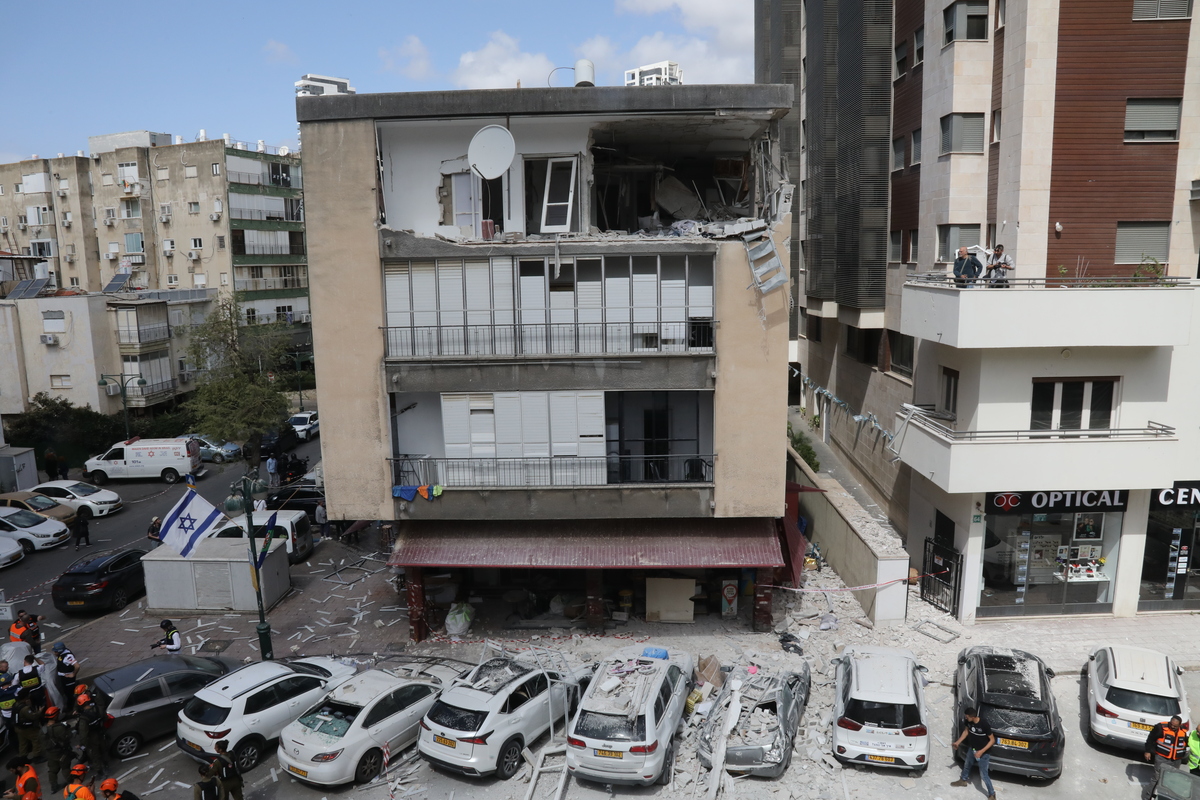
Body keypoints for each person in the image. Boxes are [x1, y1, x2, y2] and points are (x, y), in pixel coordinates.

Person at [951, 707, 995, 800]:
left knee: (984, 775)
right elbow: (966, 731)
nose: (965, 718)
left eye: (967, 717)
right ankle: (963, 780)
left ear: (972, 717)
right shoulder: (969, 722)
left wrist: (981, 752)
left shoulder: (984, 724)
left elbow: (992, 740)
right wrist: (957, 742)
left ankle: (992, 794)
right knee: (967, 764)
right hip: (973, 749)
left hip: (984, 753)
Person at [43, 706, 74, 793]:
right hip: (61, 752)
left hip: (50, 753)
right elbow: (68, 736)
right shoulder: (59, 727)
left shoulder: (43, 729)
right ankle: (71, 783)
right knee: (65, 767)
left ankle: (54, 786)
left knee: (52, 770)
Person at [75, 693, 107, 775]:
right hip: (101, 734)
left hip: (92, 739)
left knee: (95, 755)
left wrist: (82, 745)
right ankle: (106, 765)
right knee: (103, 751)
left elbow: (83, 734)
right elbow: (105, 718)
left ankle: (100, 773)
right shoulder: (98, 709)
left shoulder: (84, 718)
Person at [13, 690, 43, 762]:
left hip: (18, 727)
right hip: (26, 728)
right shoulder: (25, 708)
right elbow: (33, 716)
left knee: (23, 743)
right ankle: (37, 756)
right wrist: (40, 711)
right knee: (36, 739)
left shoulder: (16, 704)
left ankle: (23, 758)